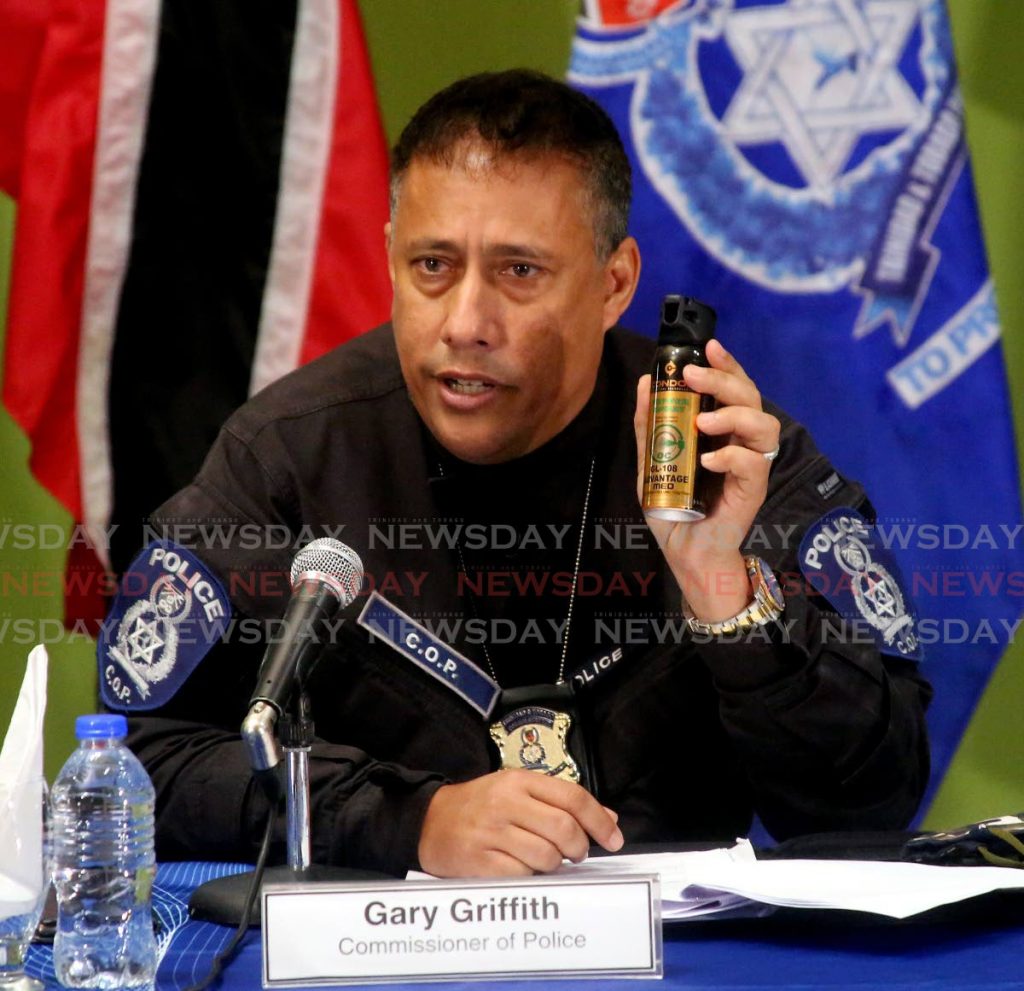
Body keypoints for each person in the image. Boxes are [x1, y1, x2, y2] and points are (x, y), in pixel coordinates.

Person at [106, 70, 931, 878]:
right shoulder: (289, 456)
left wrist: (727, 594)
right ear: (390, 255)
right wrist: (406, 819)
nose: (465, 323)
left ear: (615, 283)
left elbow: (868, 807)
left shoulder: (720, 458)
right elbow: (136, 762)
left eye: (519, 272)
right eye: (432, 266)